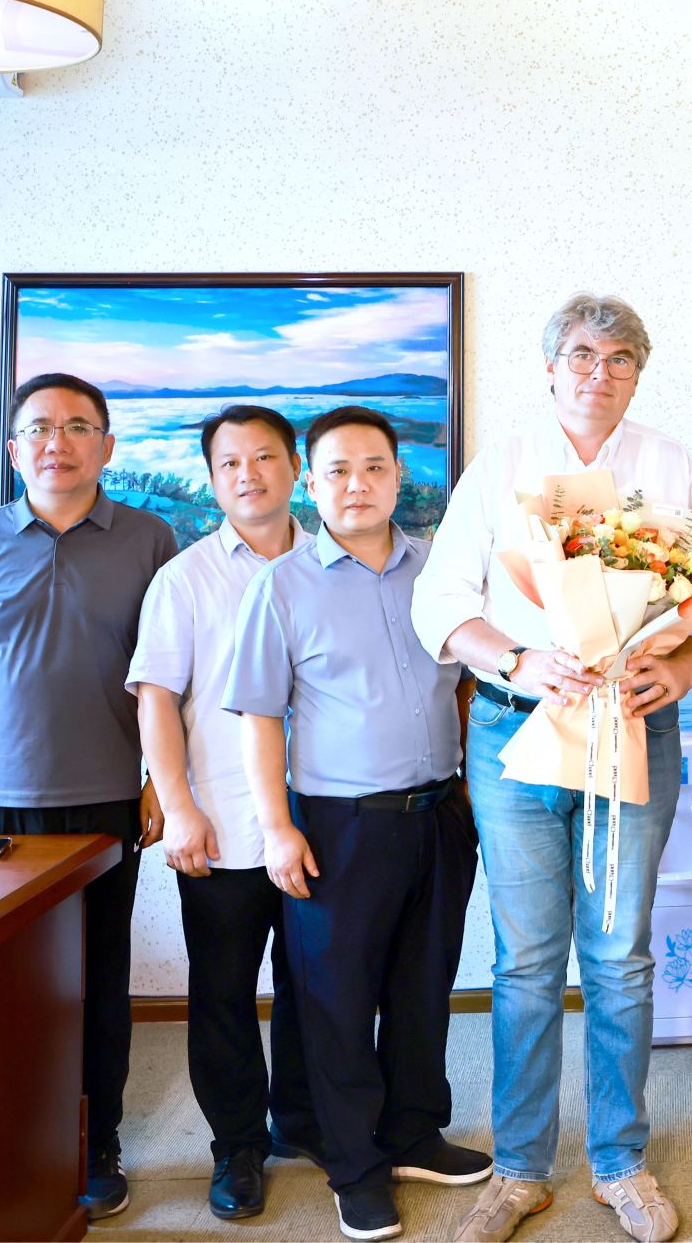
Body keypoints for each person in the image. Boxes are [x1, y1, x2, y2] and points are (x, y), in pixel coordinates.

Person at [409, 295, 692, 1243]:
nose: (601, 372)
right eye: (583, 355)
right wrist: (518, 660)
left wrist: (682, 664)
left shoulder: (669, 464)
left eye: (621, 358)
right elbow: (440, 602)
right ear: (550, 367)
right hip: (516, 736)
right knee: (527, 961)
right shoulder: (500, 465)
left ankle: (620, 1163)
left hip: (630, 729)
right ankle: (519, 1169)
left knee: (621, 956)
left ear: (639, 374)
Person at [224, 406, 488, 1242]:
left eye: (374, 467)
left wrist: (472, 793)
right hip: (339, 826)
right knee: (335, 1003)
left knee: (423, 988)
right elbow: (260, 717)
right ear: (311, 482)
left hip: (439, 814)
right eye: (337, 469)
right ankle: (355, 1166)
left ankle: (413, 1133)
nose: (358, 484)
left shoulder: (440, 573)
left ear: (399, 476)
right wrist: (277, 828)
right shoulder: (282, 586)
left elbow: (468, 683)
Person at [0, 371, 177, 1220]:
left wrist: (158, 779)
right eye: (38, 428)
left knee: (99, 980)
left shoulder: (150, 539)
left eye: (76, 427)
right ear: (14, 449)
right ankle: (3, 1138)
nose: (55, 442)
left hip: (105, 801)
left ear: (106, 445)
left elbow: (172, 674)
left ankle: (95, 1143)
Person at [128, 404, 322, 1220]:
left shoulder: (334, 561)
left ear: (295, 468)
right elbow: (156, 699)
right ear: (211, 480)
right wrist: (177, 807)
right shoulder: (185, 577)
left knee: (318, 987)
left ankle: (303, 1122)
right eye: (231, 463)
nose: (250, 474)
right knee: (223, 992)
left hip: (320, 819)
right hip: (221, 821)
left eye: (266, 457)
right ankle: (236, 1146)